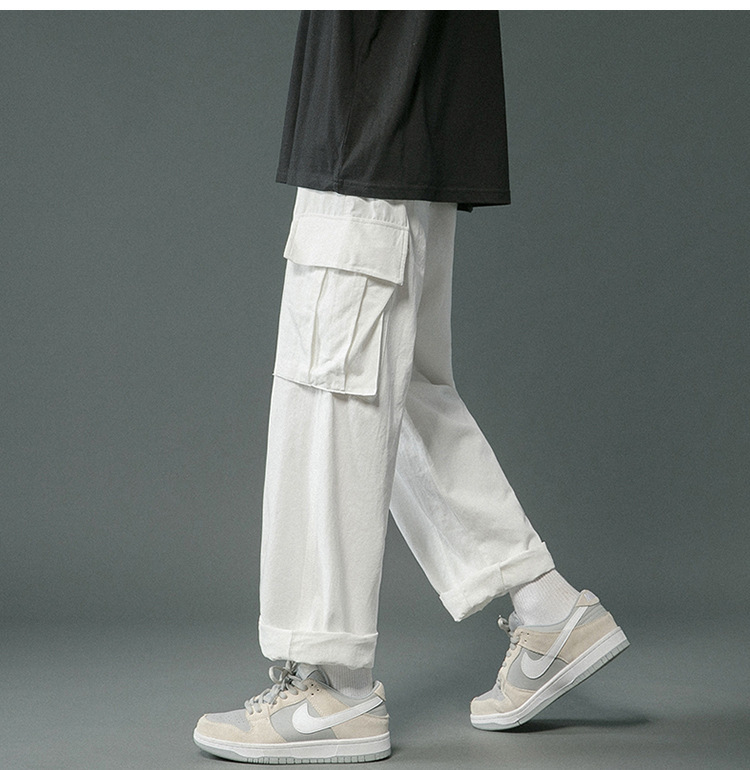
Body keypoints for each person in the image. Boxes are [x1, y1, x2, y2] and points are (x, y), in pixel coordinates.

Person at [193, 11, 628, 764]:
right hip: (399, 114)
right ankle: (549, 611)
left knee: (333, 393)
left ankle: (332, 688)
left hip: (373, 108)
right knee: (393, 389)